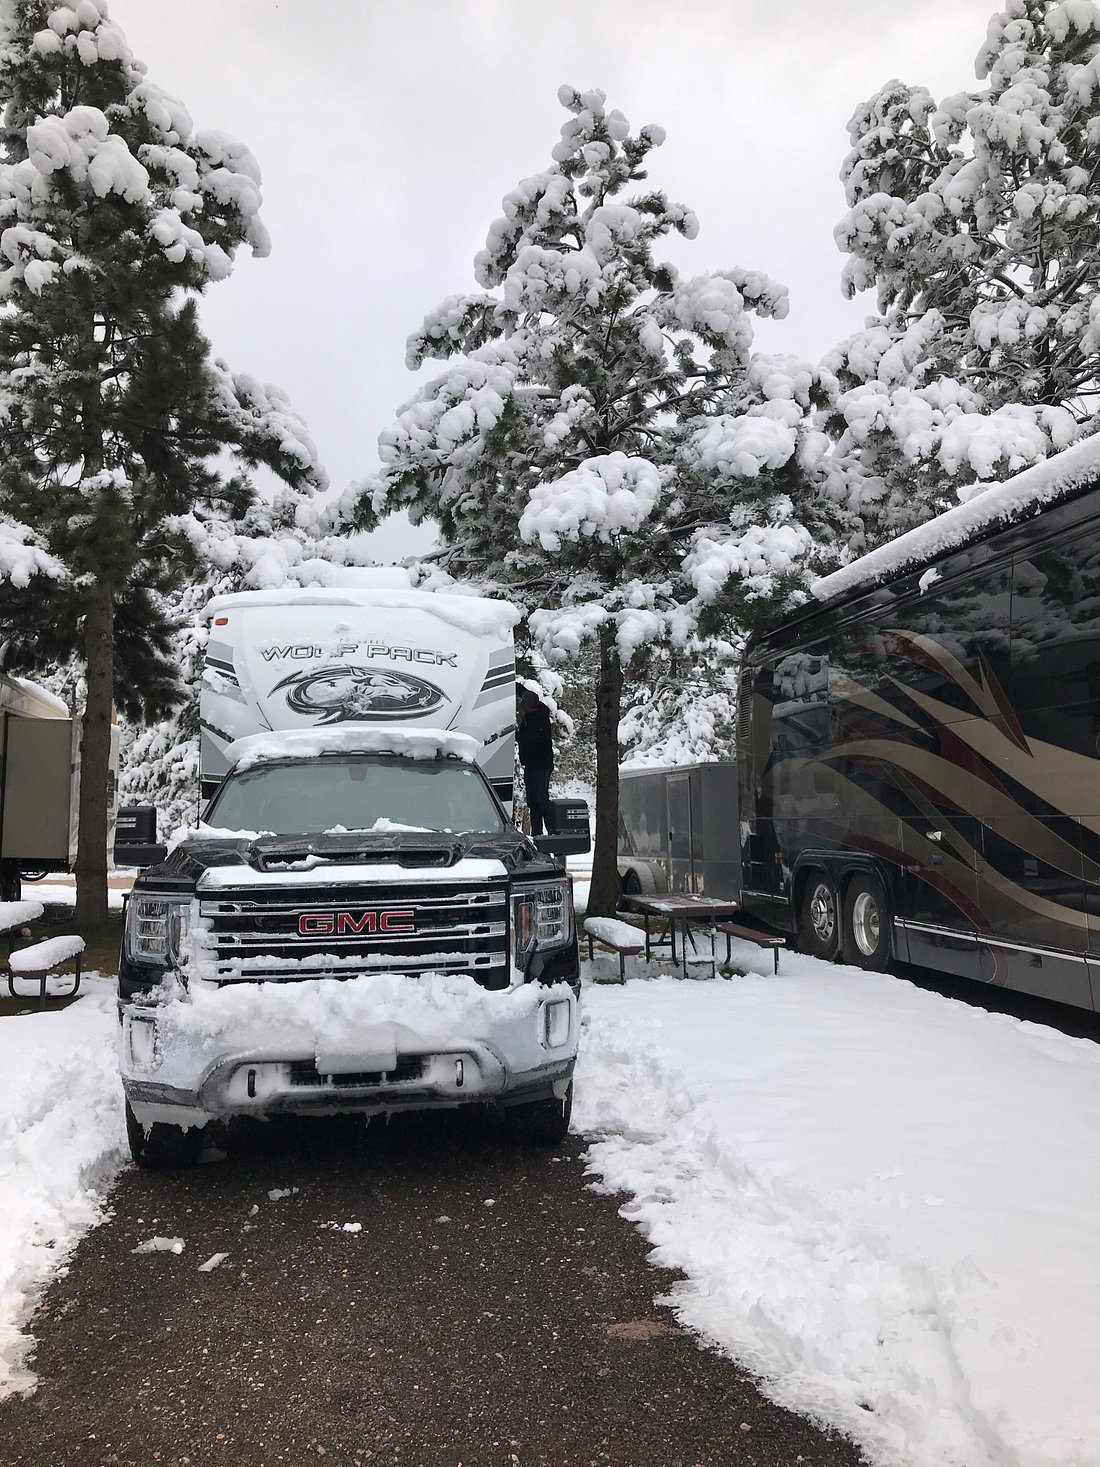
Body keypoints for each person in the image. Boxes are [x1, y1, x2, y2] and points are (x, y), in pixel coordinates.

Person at [515, 687, 555, 836]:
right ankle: (537, 834)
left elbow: (532, 741)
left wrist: (518, 735)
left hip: (540, 766)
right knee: (533, 802)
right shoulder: (533, 714)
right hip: (532, 765)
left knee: (542, 801)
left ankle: (552, 833)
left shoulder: (539, 719)